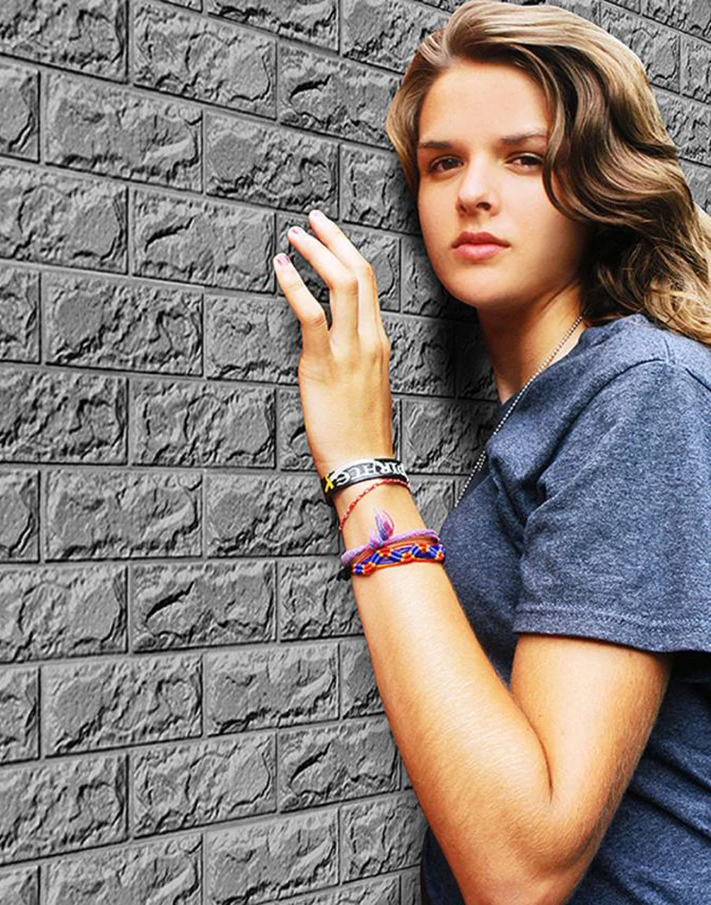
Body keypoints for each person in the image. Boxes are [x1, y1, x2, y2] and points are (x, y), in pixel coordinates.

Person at [271, 1, 711, 902]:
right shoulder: (558, 402)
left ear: (599, 182)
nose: (472, 191)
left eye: (524, 159)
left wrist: (364, 469)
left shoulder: (641, 389)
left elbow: (521, 867)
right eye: (442, 162)